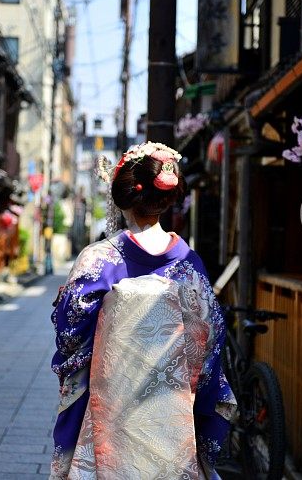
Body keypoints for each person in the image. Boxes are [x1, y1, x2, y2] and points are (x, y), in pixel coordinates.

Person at [49, 142, 236, 479]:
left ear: (122, 198)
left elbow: (68, 337)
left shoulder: (98, 260)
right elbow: (209, 343)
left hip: (106, 412)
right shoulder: (190, 265)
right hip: (171, 415)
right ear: (167, 199)